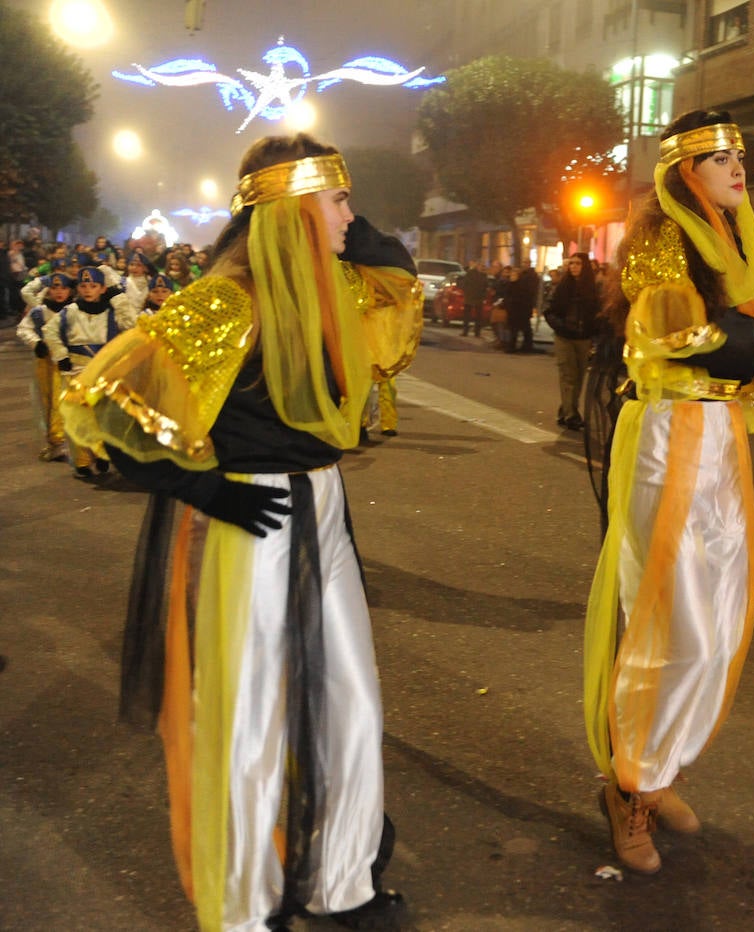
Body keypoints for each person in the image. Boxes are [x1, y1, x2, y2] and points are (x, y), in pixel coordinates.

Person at [59, 133, 423, 930]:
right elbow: (101, 400)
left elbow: (398, 299)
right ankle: (244, 909)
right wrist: (200, 486)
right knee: (250, 718)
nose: (350, 215)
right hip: (249, 522)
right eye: (335, 201)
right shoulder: (226, 299)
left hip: (321, 509)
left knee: (347, 704)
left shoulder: (335, 294)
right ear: (292, 214)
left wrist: (365, 237)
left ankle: (343, 881)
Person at [583, 110, 754, 875]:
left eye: (740, 153)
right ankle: (629, 788)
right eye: (717, 157)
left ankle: (657, 765)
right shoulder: (657, 237)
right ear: (684, 173)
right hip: (668, 432)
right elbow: (675, 333)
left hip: (718, 435)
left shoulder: (741, 248)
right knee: (669, 623)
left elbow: (751, 342)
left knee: (716, 618)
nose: (737, 166)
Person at [42, 266, 138, 477]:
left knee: (102, 416)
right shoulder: (70, 311)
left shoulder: (112, 311)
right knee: (78, 415)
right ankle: (82, 460)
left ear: (103, 289)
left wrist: (118, 297)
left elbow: (132, 324)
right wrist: (61, 355)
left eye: (93, 286)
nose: (87, 290)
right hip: (77, 370)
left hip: (104, 372)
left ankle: (102, 453)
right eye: (83, 286)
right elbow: (49, 331)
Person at [15, 271, 76, 461]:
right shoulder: (40, 312)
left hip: (70, 362)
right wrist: (36, 343)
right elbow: (23, 329)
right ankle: (56, 442)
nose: (59, 292)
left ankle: (72, 441)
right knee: (49, 401)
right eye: (55, 287)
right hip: (47, 363)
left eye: (63, 288)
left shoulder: (76, 310)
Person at [545, 252, 601, 430]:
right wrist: (561, 326)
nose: (574, 267)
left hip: (583, 338)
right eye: (571, 264)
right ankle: (571, 415)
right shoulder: (562, 287)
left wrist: (593, 331)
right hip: (564, 337)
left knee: (579, 377)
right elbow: (549, 311)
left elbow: (597, 313)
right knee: (568, 375)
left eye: (577, 263)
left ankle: (565, 410)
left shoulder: (593, 289)